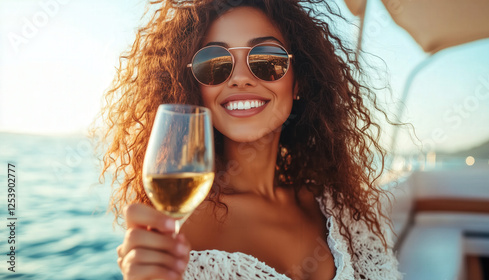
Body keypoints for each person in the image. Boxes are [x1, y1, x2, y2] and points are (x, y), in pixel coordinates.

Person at [95, 0, 402, 279]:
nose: (240, 77)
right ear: (195, 89)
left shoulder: (345, 211)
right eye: (214, 62)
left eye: (267, 59)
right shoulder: (177, 232)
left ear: (300, 82)